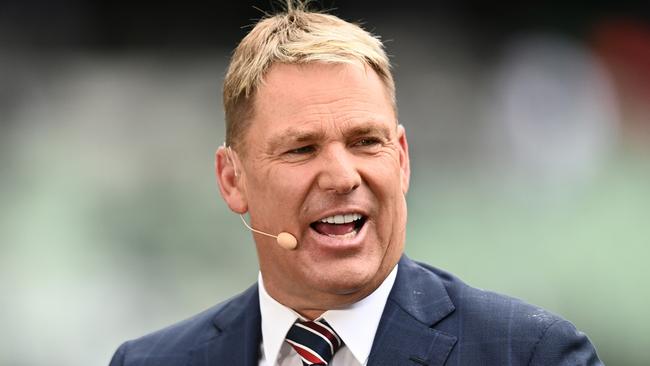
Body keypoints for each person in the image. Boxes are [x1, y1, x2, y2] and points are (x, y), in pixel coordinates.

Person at [109, 3, 603, 365]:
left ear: (403, 160)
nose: (344, 177)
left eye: (367, 142)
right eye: (301, 149)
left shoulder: (531, 355)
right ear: (232, 179)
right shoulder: (151, 362)